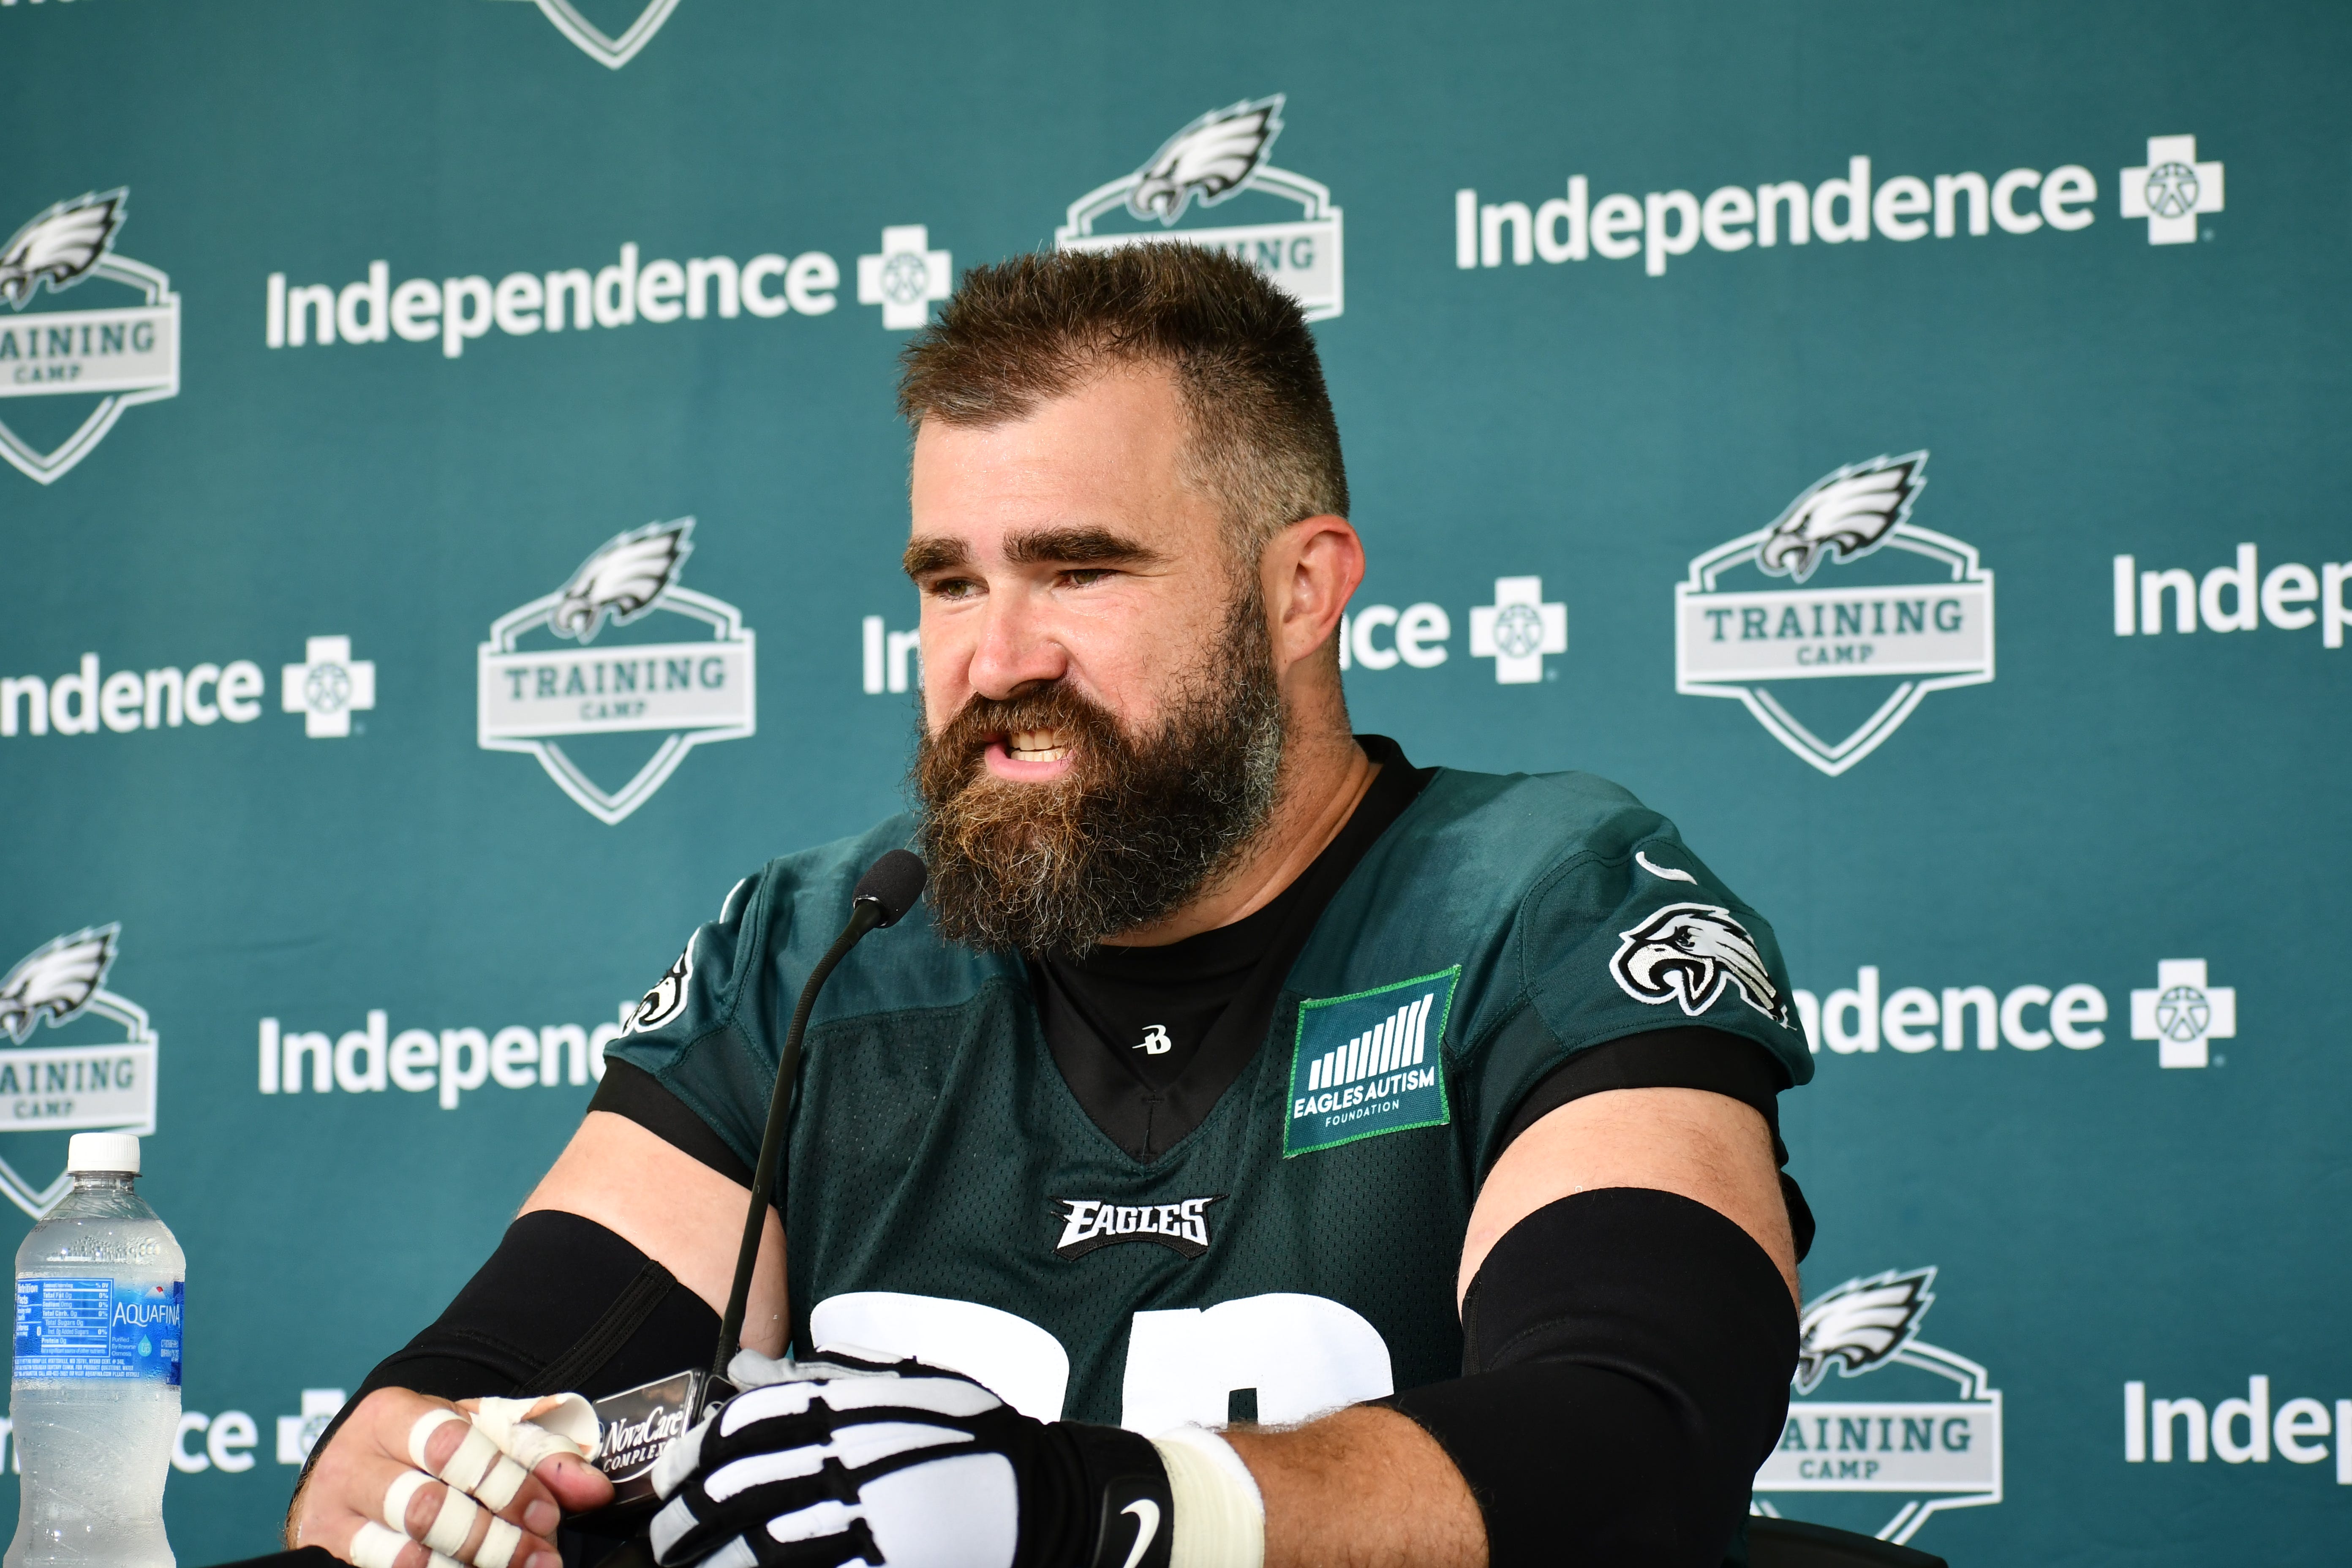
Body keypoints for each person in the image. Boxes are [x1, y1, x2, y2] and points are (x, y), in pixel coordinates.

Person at [290, 245, 1813, 1568]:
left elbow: (1639, 1443)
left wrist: (1096, 1512)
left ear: (1302, 589)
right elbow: (478, 1393)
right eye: (950, 583)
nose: (998, 658)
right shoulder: (832, 946)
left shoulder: (1540, 901)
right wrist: (422, 1471)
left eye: (1079, 571)